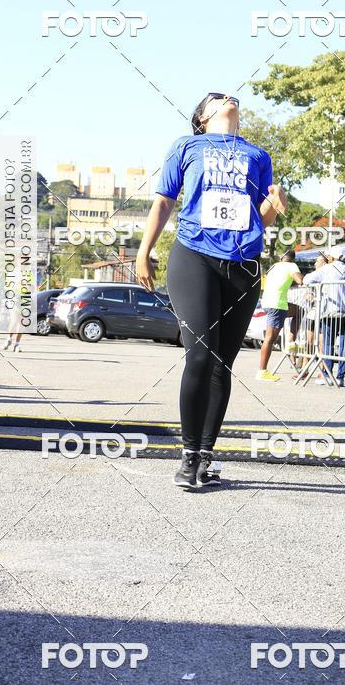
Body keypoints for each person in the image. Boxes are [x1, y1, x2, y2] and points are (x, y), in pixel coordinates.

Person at [136, 92, 286, 489]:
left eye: (232, 97)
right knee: (200, 356)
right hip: (194, 258)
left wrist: (273, 202)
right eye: (217, 98)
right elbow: (164, 202)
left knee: (222, 364)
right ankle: (187, 456)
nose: (228, 99)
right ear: (202, 117)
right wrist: (143, 252)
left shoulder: (258, 155)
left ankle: (205, 456)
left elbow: (262, 217)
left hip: (243, 266)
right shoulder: (187, 146)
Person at [303, 245, 345, 387]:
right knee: (344, 345)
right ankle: (340, 377)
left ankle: (327, 375)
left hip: (330, 312)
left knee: (328, 343)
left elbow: (306, 280)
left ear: (331, 257)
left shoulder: (326, 269)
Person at [257, 250, 303, 381]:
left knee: (299, 311)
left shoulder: (275, 266)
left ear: (282, 257)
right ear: (292, 259)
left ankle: (291, 342)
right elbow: (299, 280)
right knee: (270, 338)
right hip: (277, 304)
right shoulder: (291, 266)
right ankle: (262, 371)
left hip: (267, 302)